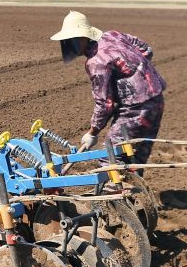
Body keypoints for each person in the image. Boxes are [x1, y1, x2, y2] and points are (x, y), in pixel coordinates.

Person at [50, 11, 166, 166]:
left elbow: (105, 104)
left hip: (136, 109)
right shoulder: (113, 35)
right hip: (156, 100)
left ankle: (116, 189)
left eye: (73, 40)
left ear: (84, 37)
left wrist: (92, 132)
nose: (69, 45)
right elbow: (146, 49)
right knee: (135, 157)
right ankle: (132, 187)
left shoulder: (96, 62)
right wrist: (137, 72)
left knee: (110, 156)